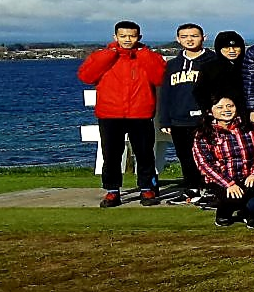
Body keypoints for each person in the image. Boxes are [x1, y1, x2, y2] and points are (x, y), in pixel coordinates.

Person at [77, 20, 167, 207]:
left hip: (140, 113)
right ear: (115, 37)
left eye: (132, 36)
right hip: (110, 114)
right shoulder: (102, 56)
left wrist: (143, 54)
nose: (127, 40)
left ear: (139, 37)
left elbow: (160, 77)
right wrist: (109, 54)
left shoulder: (149, 56)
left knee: (145, 154)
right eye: (123, 36)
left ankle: (147, 189)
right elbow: (86, 76)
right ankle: (112, 191)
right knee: (111, 155)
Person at [191, 94, 254, 227]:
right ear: (210, 111)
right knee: (233, 196)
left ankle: (249, 212)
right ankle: (224, 212)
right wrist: (229, 184)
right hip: (222, 180)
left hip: (250, 176)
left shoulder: (251, 127)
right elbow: (204, 164)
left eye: (230, 106)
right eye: (220, 107)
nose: (226, 110)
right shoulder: (203, 134)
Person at [159, 22, 216, 203]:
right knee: (185, 157)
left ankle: (211, 189)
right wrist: (164, 120)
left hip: (206, 119)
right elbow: (166, 94)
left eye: (194, 36)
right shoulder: (172, 65)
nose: (189, 40)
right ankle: (191, 188)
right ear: (178, 39)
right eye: (184, 37)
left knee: (210, 156)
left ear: (204, 38)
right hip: (179, 119)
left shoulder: (214, 61)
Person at [194, 31, 249, 124]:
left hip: (246, 116)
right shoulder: (209, 68)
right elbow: (200, 92)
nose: (232, 51)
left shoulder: (249, 66)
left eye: (236, 47)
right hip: (217, 117)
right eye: (226, 47)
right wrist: (209, 110)